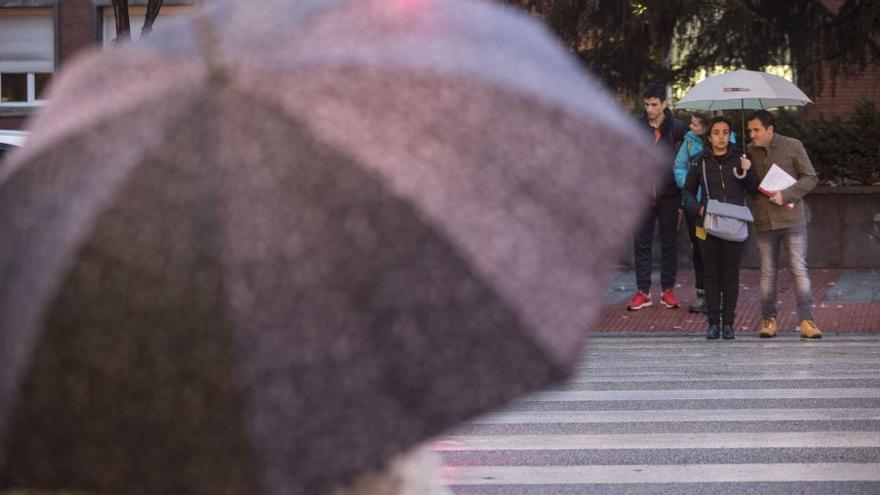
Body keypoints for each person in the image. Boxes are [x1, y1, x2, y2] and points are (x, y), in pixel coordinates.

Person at [745, 109, 822, 339]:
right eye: (750, 130)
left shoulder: (792, 146)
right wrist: (743, 171)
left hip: (791, 219)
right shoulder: (748, 151)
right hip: (764, 221)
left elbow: (810, 177)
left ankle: (807, 321)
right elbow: (750, 187)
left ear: (770, 129)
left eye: (757, 130)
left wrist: (786, 195)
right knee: (767, 272)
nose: (753, 135)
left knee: (798, 269)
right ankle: (769, 321)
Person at [682, 116, 758, 339]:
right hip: (707, 224)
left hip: (735, 225)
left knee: (731, 274)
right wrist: (698, 209)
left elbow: (753, 189)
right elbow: (687, 191)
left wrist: (749, 170)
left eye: (725, 132)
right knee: (711, 274)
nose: (721, 137)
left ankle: (729, 325)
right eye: (716, 132)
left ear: (730, 135)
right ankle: (713, 323)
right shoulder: (699, 161)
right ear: (709, 136)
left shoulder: (741, 158)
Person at [627, 84, 687, 311]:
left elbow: (686, 162)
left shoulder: (677, 129)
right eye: (646, 104)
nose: (649, 109)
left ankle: (667, 291)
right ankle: (643, 292)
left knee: (669, 244)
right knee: (641, 244)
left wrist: (682, 198)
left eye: (654, 105)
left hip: (669, 197)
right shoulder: (637, 127)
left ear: (664, 104)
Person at [674, 112, 739, 314]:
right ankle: (703, 294)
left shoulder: (731, 144)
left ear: (705, 127)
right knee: (700, 251)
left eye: (694, 125)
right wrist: (690, 184)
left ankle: (722, 296)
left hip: (723, 208)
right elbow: (679, 166)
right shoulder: (689, 142)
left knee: (724, 254)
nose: (690, 127)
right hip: (699, 209)